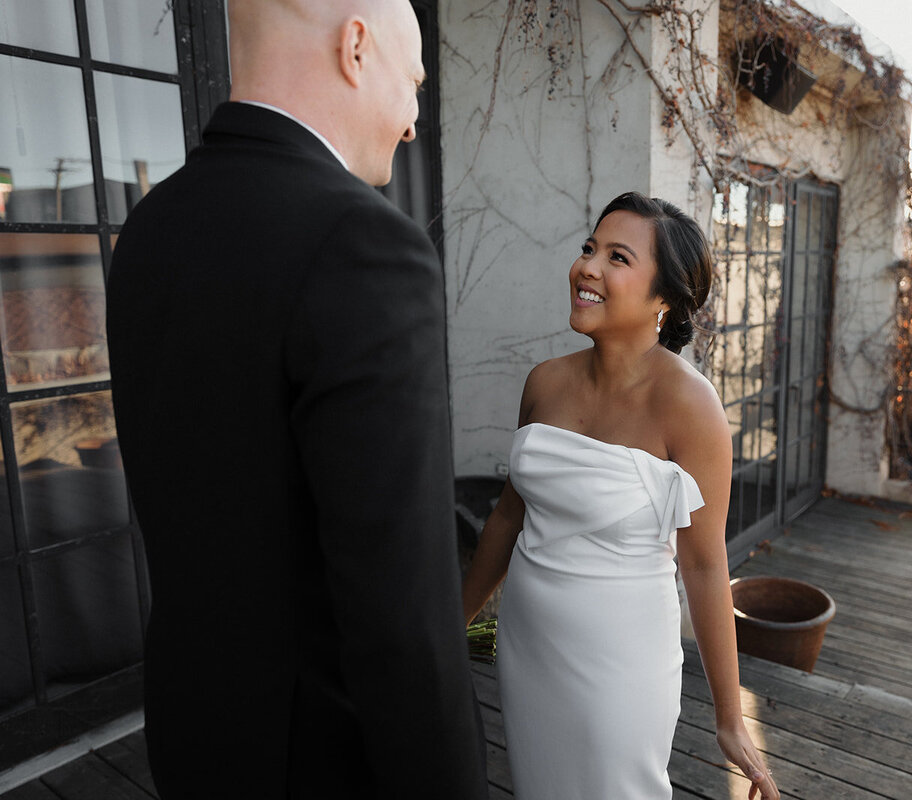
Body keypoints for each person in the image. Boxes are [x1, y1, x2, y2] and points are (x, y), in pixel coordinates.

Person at [106, 1, 487, 797]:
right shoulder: (364, 243)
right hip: (322, 764)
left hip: (193, 733)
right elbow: (405, 623)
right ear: (356, 47)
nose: (413, 121)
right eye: (413, 82)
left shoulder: (149, 229)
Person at [461, 192, 781, 800]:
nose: (588, 267)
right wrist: (457, 622)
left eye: (617, 257)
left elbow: (707, 565)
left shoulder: (691, 407)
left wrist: (729, 718)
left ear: (664, 297)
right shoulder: (544, 382)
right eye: (589, 249)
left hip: (620, 667)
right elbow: (507, 519)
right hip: (528, 648)